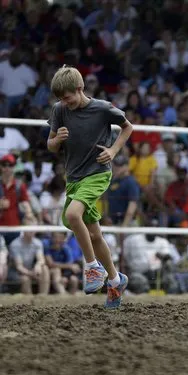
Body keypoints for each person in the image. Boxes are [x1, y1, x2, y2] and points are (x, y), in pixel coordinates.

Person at [47, 65, 132, 309]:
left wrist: (114, 150)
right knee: (93, 234)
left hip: (97, 173)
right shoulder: (60, 110)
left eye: (67, 97)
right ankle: (116, 281)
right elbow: (50, 145)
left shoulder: (103, 108)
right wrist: (57, 139)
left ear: (80, 88)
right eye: (61, 99)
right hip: (73, 177)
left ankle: (92, 268)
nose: (65, 102)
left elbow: (128, 127)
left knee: (74, 215)